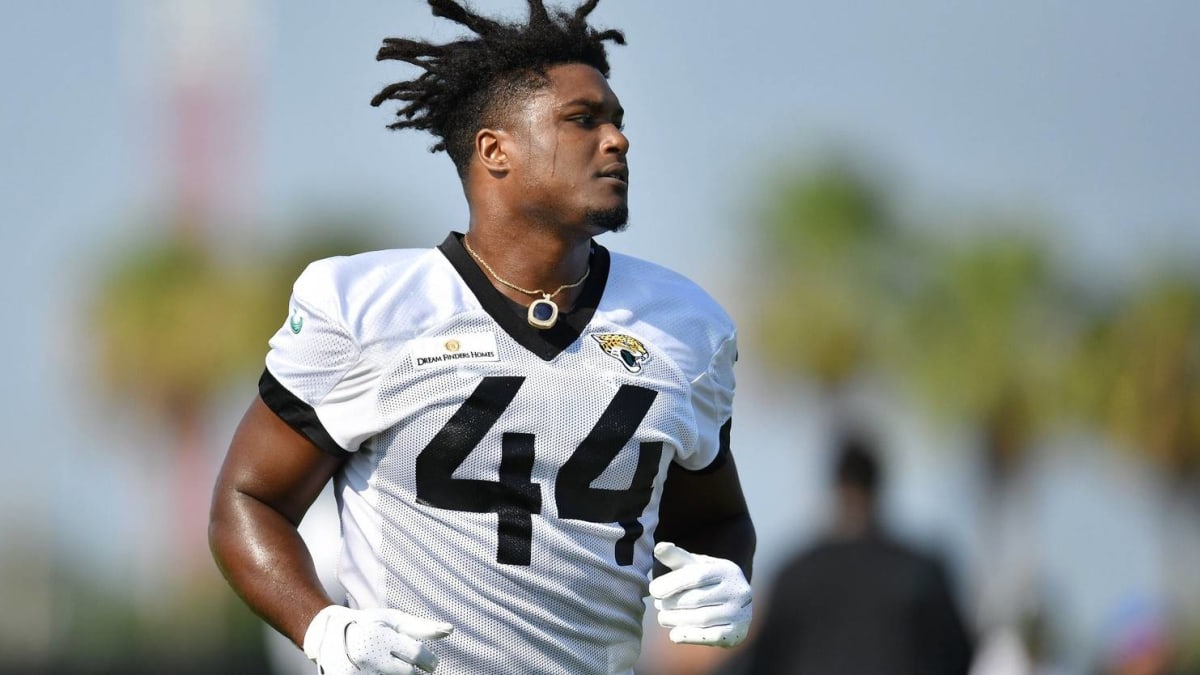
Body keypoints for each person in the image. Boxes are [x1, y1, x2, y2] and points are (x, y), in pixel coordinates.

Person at [208, 2, 755, 674]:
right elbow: (247, 498)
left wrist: (727, 578)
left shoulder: (682, 325)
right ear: (495, 149)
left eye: (616, 120)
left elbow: (716, 517)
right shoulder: (369, 309)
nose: (617, 140)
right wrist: (324, 627)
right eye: (584, 120)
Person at [737, 428, 972, 675]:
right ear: (878, 485)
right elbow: (958, 655)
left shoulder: (795, 573)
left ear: (837, 485)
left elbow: (761, 661)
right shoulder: (923, 573)